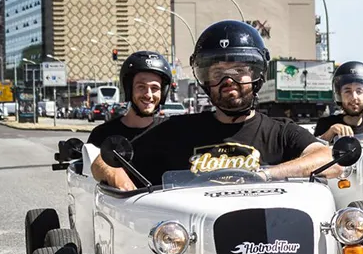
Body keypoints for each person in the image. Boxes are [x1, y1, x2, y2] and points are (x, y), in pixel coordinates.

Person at [119, 20, 340, 190]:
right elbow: (111, 159)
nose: (228, 81)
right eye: (218, 73)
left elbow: (330, 160)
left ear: (256, 75)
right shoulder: (174, 130)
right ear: (205, 80)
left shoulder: (281, 132)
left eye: (238, 71)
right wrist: (117, 179)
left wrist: (268, 174)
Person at [88, 51, 172, 188]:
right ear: (128, 89)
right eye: (141, 87)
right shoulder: (102, 134)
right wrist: (110, 171)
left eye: (155, 88)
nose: (148, 95)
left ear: (163, 92)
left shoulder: (173, 130)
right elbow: (91, 170)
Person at [314, 61, 363, 140]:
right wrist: (330, 133)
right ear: (339, 95)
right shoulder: (325, 124)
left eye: (359, 91)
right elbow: (313, 149)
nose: (354, 97)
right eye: (347, 91)